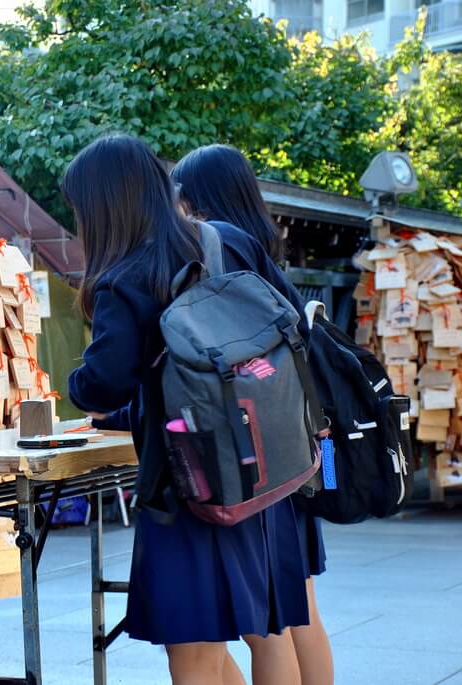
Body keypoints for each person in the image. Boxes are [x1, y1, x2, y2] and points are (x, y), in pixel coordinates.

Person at [65, 135, 310, 685]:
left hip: (190, 478)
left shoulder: (126, 275)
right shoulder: (229, 240)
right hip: (264, 460)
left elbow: (103, 384)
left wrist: (74, 381)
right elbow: (292, 320)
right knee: (267, 631)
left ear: (102, 207)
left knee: (193, 648)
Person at [172, 144, 334, 685]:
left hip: (256, 453)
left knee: (272, 623)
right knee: (298, 609)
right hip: (295, 446)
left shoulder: (219, 252)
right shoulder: (262, 253)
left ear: (194, 199)